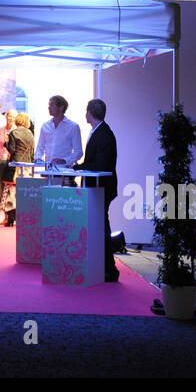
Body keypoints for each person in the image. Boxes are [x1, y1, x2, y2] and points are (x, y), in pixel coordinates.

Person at [75, 99, 120, 282]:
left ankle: (110, 269)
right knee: (100, 227)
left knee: (101, 228)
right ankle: (105, 267)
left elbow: (100, 164)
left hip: (101, 188)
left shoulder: (104, 134)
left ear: (90, 113)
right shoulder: (99, 131)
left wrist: (79, 167)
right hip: (97, 188)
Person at [1, 112, 35, 228]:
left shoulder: (13, 133)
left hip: (15, 165)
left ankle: (10, 218)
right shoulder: (30, 134)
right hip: (28, 166)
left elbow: (12, 150)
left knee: (12, 192)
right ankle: (24, 217)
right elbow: (32, 152)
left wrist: (6, 142)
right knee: (25, 192)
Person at [35, 95, 82, 171]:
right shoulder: (45, 126)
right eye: (49, 105)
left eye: (52, 105)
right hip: (48, 170)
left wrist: (64, 160)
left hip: (65, 170)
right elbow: (40, 147)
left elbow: (78, 152)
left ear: (61, 107)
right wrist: (38, 158)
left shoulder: (73, 127)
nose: (49, 107)